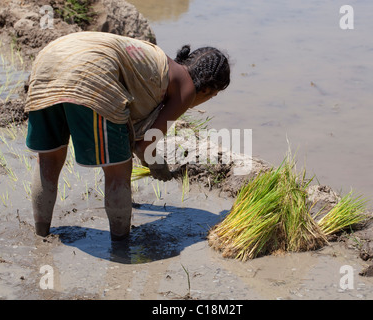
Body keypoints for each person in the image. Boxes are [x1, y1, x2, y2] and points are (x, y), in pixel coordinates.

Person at [24, 31, 230, 241]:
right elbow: (143, 146)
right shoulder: (186, 88)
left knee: (48, 159)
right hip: (90, 71)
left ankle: (41, 234)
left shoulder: (156, 63)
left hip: (50, 59)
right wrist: (159, 166)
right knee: (118, 171)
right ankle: (121, 246)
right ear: (207, 89)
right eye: (212, 96)